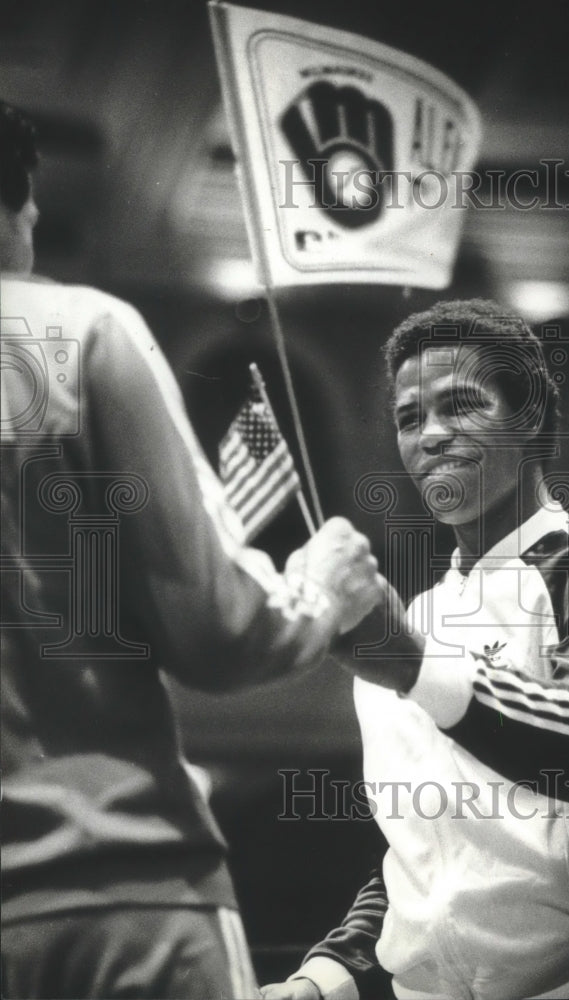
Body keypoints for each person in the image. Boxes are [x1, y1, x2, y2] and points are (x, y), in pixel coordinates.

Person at [0, 100, 388, 999]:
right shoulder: (78, 333)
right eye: (30, 210)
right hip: (122, 892)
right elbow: (216, 636)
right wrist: (320, 591)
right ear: (17, 202)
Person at [263, 299, 569, 1000]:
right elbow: (429, 858)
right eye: (410, 418)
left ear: (527, 420)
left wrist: (412, 666)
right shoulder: (416, 619)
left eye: (459, 405)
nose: (431, 434)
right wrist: (326, 975)